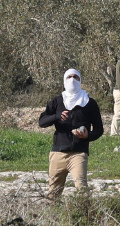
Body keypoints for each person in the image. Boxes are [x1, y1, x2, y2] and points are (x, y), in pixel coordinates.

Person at [38, 69, 104, 202]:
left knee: (82, 190)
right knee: (53, 193)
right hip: (58, 153)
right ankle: (53, 219)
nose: (72, 80)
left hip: (78, 154)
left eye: (76, 77)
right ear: (64, 80)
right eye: (69, 77)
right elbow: (42, 122)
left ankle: (85, 218)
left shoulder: (90, 103)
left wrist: (87, 136)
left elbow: (99, 129)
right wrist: (56, 116)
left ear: (80, 81)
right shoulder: (57, 101)